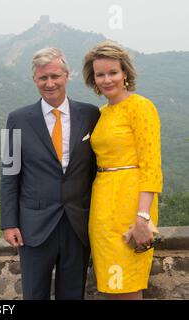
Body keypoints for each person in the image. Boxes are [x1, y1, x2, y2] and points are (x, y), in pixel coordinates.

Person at [0, 47, 100, 300]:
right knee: (34, 294)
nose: (50, 83)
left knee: (72, 294)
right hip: (34, 226)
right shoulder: (18, 119)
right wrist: (9, 222)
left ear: (67, 76)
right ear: (35, 80)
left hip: (78, 223)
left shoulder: (90, 114)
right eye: (43, 78)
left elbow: (97, 169)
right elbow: (10, 174)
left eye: (55, 76)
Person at [82, 40, 163, 299]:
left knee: (125, 285)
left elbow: (151, 166)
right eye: (100, 74)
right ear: (93, 78)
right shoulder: (101, 113)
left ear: (125, 73)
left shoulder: (141, 107)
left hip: (131, 205)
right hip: (102, 205)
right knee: (110, 285)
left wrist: (143, 217)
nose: (107, 80)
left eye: (113, 72)